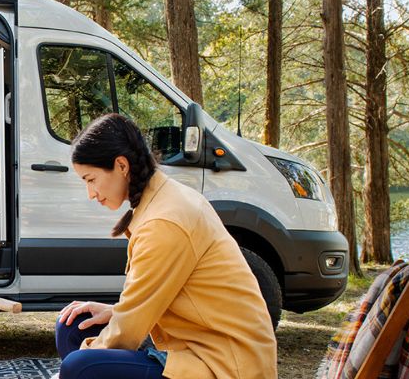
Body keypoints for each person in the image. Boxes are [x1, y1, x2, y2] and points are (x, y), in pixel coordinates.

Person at [54, 114, 277, 378]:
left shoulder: (164, 221)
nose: (90, 194)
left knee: (79, 368)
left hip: (223, 364)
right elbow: (157, 300)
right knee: (72, 327)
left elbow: (128, 331)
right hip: (192, 344)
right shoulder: (162, 201)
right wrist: (114, 312)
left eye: (90, 180)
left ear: (121, 166)